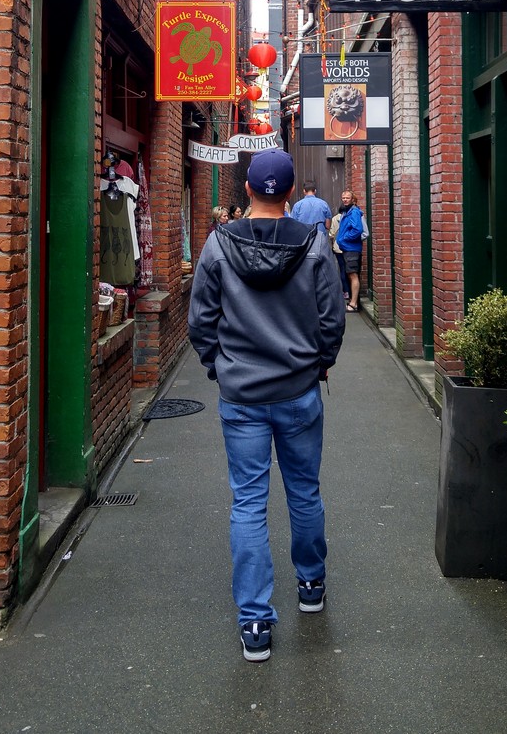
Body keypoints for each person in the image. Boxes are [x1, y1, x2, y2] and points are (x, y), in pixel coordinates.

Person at [188, 148, 345, 663]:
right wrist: (319, 363)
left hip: (242, 398)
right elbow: (331, 319)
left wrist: (221, 366)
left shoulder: (217, 245)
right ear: (291, 190)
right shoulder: (316, 245)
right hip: (299, 392)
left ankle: (255, 621)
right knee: (304, 491)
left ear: (249, 191)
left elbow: (201, 322)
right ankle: (311, 587)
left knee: (249, 503)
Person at [335, 189, 368, 312]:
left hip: (352, 249)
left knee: (353, 275)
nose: (345, 199)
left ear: (352, 199)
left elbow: (357, 230)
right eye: (343, 197)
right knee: (351, 274)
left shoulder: (353, 212)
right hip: (348, 248)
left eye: (347, 198)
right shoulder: (347, 212)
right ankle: (353, 302)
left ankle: (353, 304)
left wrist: (344, 239)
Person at [328, 202, 351, 300]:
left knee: (342, 269)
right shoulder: (349, 217)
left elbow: (331, 234)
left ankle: (345, 291)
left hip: (338, 248)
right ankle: (351, 291)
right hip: (349, 247)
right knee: (350, 270)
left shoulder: (334, 219)